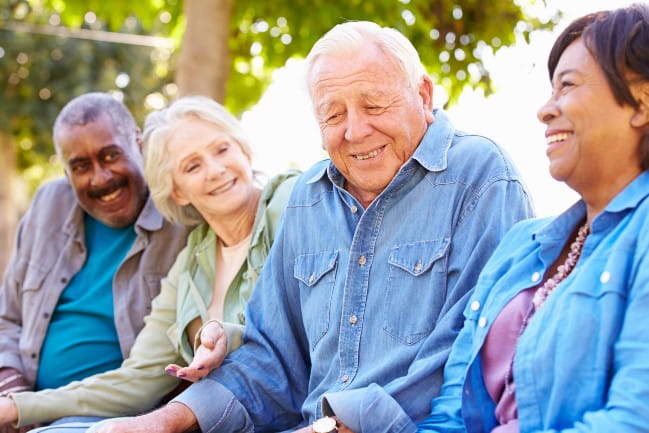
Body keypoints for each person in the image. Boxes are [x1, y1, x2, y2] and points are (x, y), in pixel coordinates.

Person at [92, 21, 533, 433]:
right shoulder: (309, 197)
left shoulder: (480, 175)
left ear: (423, 94)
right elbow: (272, 359)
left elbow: (470, 350)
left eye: (374, 104)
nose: (355, 131)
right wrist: (165, 421)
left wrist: (332, 426)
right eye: (333, 115)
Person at [0, 96, 300, 429]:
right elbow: (141, 376)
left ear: (244, 149)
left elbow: (291, 338)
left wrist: (226, 339)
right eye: (192, 166)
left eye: (222, 149)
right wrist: (15, 405)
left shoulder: (292, 203)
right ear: (178, 191)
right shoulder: (192, 262)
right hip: (158, 414)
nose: (215, 171)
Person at [417, 4, 649, 432]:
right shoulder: (520, 246)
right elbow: (451, 413)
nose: (545, 109)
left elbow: (634, 420)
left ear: (641, 100)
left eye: (568, 86)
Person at [0, 93, 188, 432]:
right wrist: (13, 395)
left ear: (139, 143)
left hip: (119, 418)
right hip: (23, 410)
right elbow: (7, 318)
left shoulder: (182, 217)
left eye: (110, 155)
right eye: (81, 166)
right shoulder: (48, 205)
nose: (100, 178)